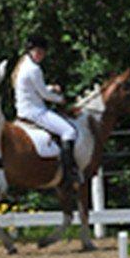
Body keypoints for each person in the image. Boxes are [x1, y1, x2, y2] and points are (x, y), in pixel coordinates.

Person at [12, 33, 82, 186]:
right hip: (35, 112)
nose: (40, 55)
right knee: (69, 131)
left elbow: (36, 88)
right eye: (38, 52)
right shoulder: (34, 69)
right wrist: (61, 99)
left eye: (42, 52)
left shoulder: (22, 66)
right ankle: (69, 173)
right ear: (30, 51)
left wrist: (51, 88)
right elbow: (44, 94)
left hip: (23, 110)